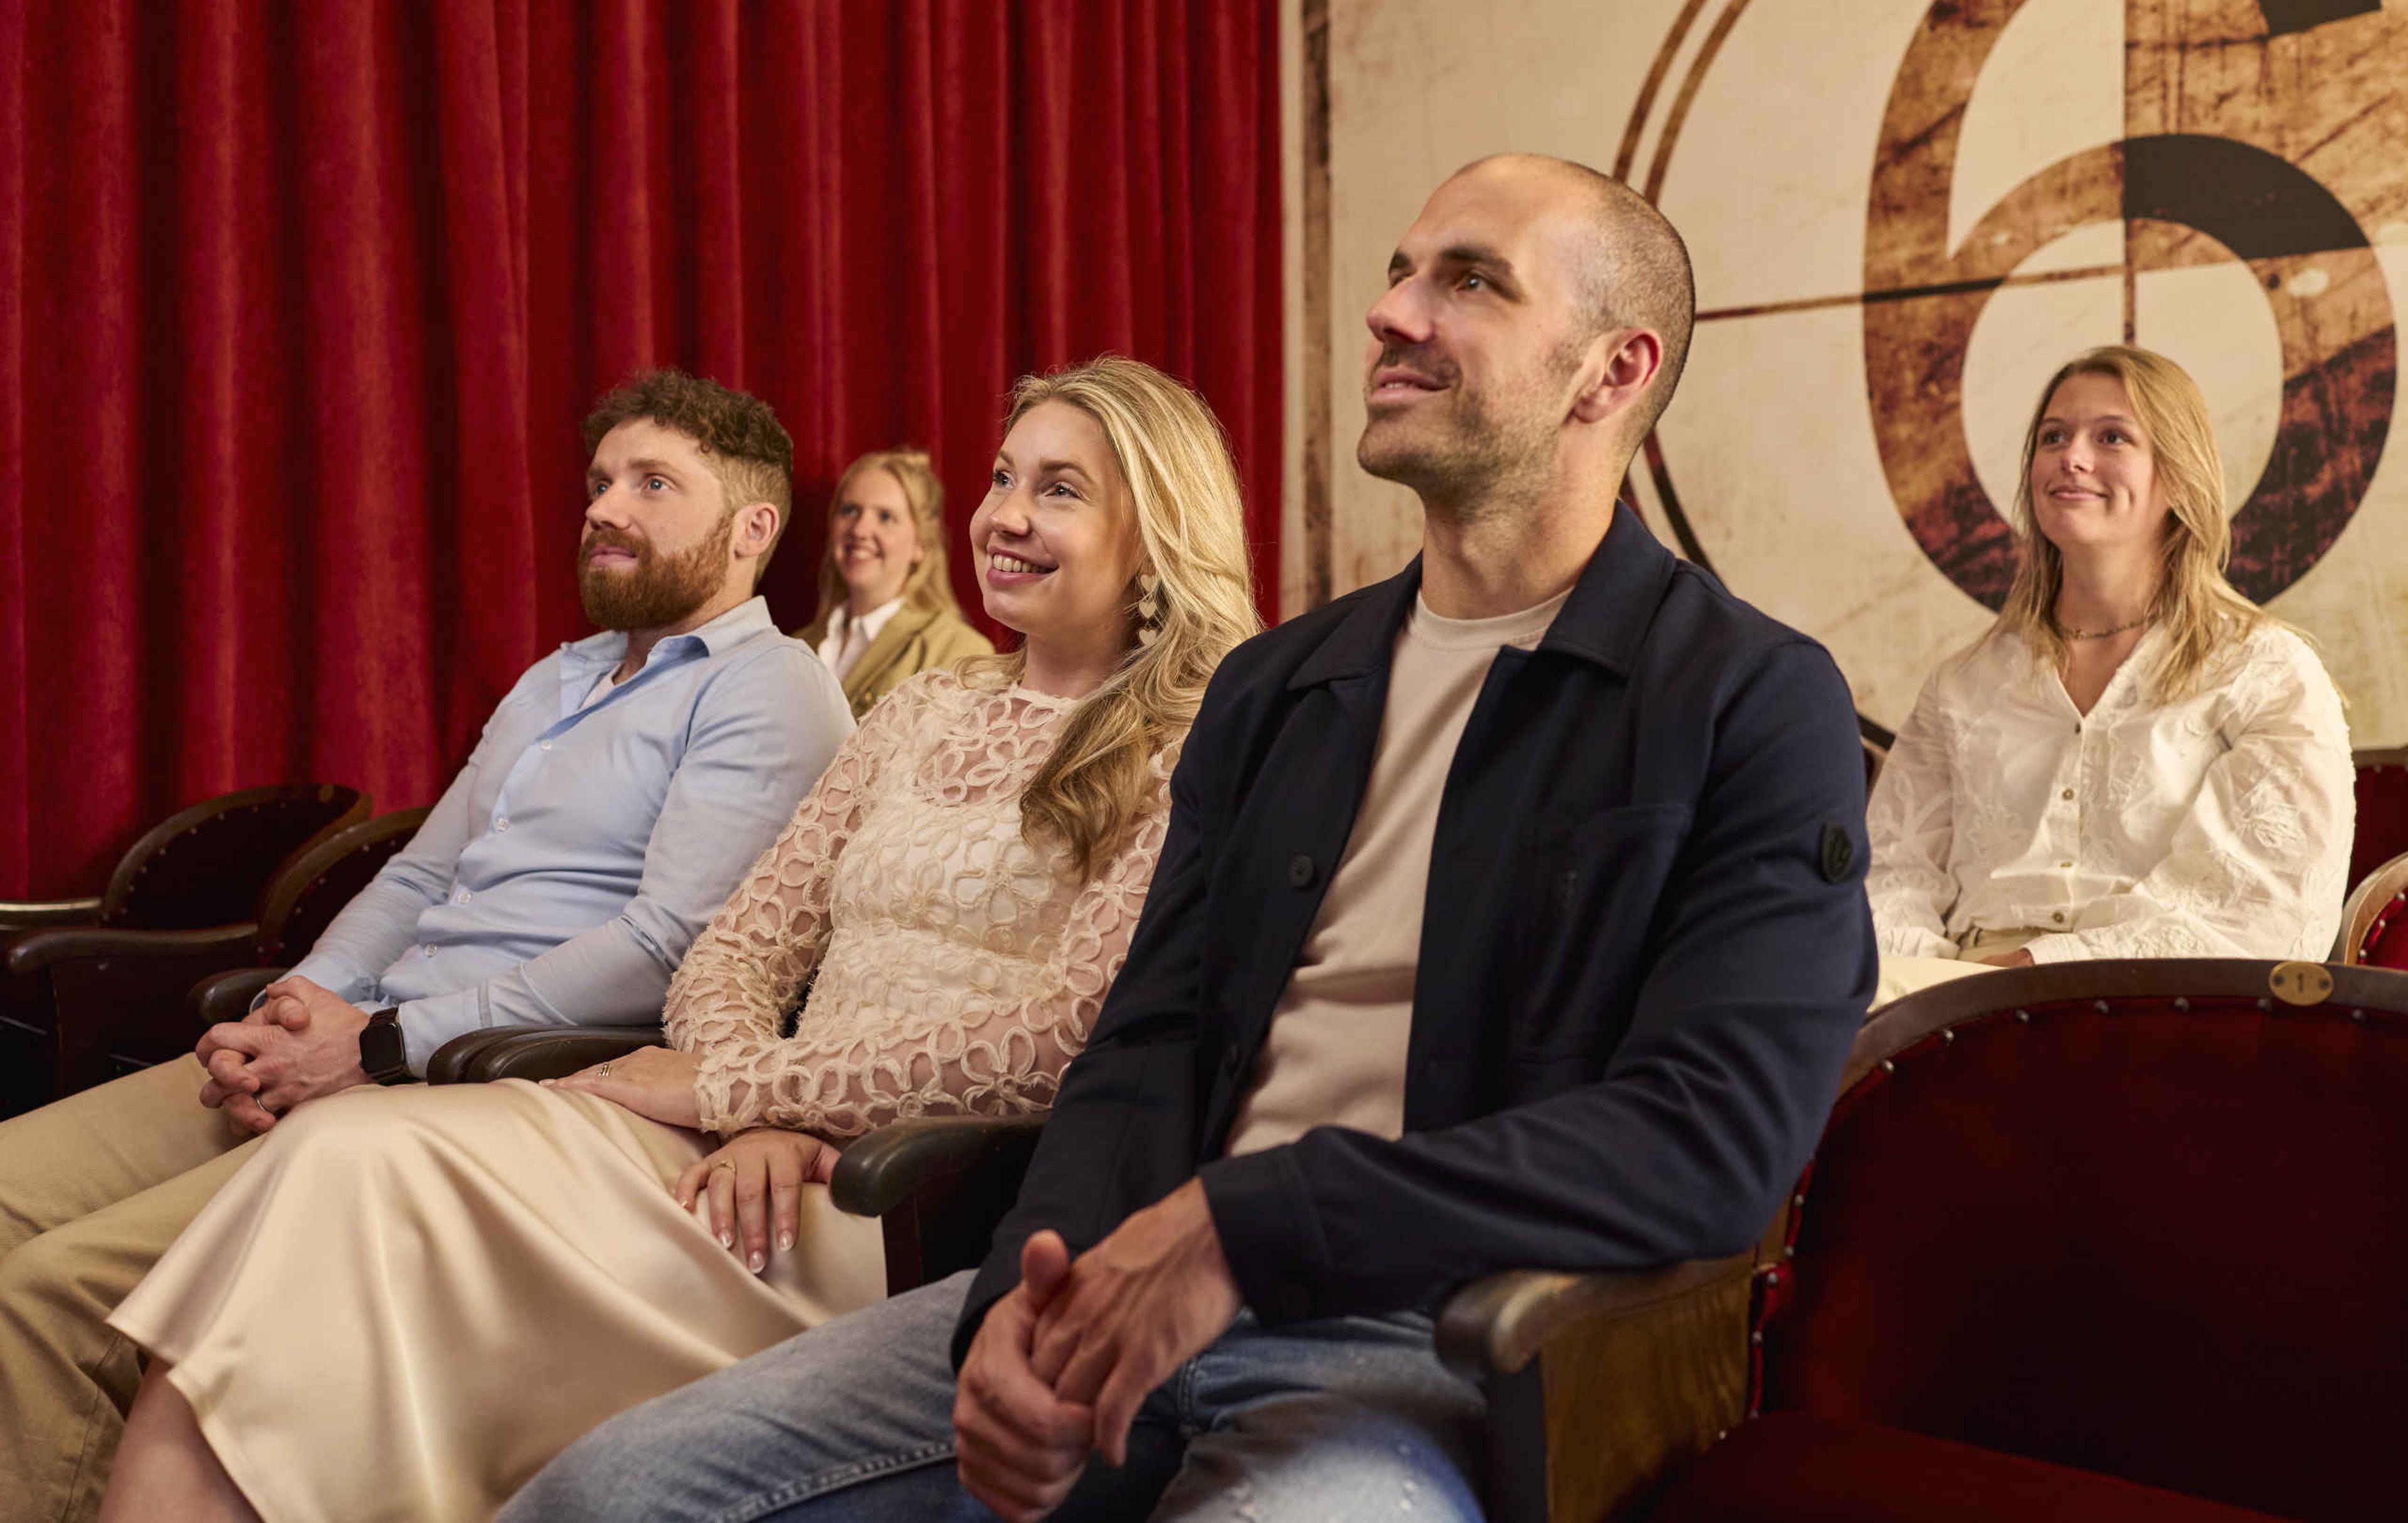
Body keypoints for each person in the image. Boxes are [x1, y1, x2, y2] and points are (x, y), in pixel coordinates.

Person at [506, 154, 1874, 1523]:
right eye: (1400, 272)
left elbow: (1715, 1136)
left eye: (1467, 280)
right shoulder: (1280, 685)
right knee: (599, 1495)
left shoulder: (1751, 696)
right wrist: (1015, 1308)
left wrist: (1252, 1223)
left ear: (1612, 371)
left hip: (1444, 1347)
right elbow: (1145, 1041)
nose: (1392, 312)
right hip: (1125, 1292)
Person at [93, 356, 1262, 1523]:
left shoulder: (1203, 735)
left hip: (898, 1196)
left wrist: (765, 1091)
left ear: (1155, 531)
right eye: (1004, 476)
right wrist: (751, 1109)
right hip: (743, 1145)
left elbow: (1064, 1037)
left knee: (358, 1171)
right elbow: (733, 951)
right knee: (336, 1157)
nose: (1004, 514)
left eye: (1060, 489)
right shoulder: (921, 707)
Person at [0, 369, 852, 1523]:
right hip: (357, 1034)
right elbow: (417, 874)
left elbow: (666, 949)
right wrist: (300, 1002)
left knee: (44, 1299)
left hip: (472, 1072)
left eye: (655, 483)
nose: (606, 507)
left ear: (753, 527)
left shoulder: (773, 688)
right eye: (602, 481)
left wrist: (380, 1044)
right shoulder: (560, 674)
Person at [1866, 346, 2353, 1005]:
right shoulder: (1963, 684)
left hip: (2158, 1011)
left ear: (2178, 477)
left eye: (2113, 437)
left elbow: (2260, 908)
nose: (2072, 456)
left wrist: (2032, 970)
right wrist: (1933, 997)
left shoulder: (2265, 674)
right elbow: (1889, 881)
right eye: (2053, 437)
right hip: (1944, 1012)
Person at [798, 448, 993, 716]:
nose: (860, 530)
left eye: (885, 517)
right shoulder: (798, 644)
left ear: (921, 544)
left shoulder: (961, 652)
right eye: (850, 510)